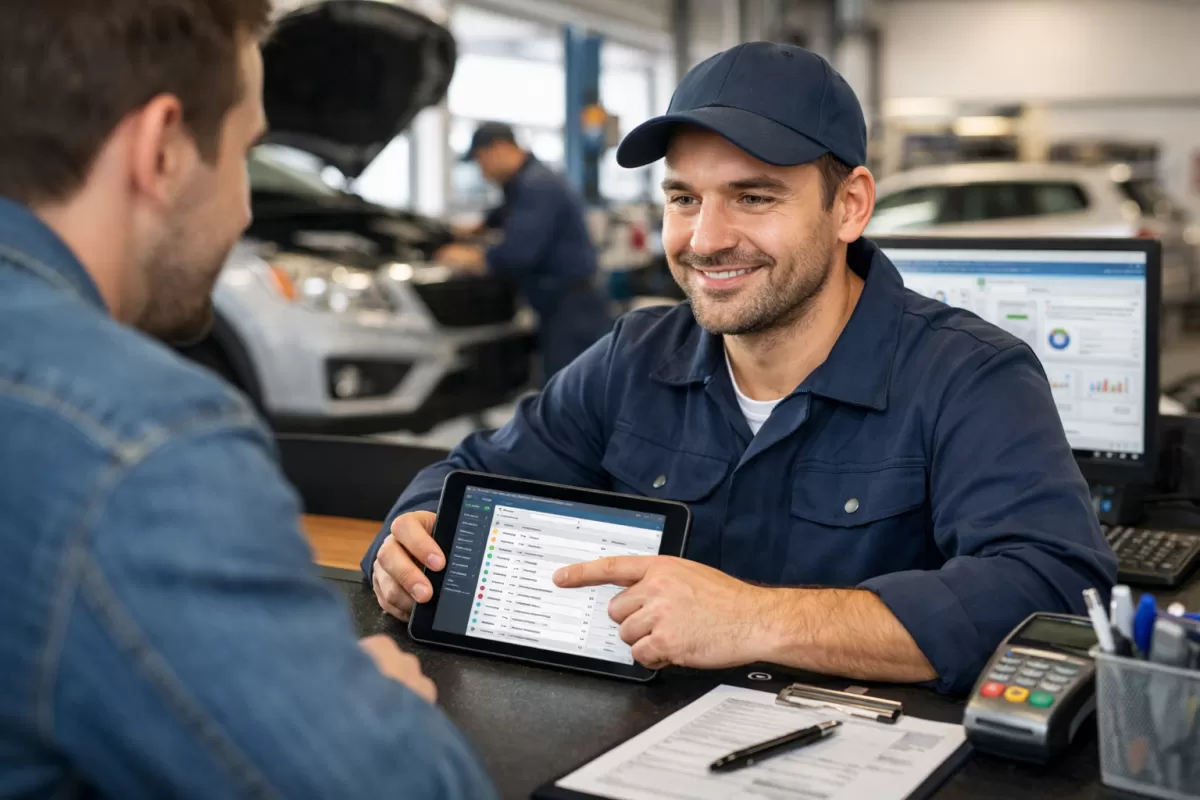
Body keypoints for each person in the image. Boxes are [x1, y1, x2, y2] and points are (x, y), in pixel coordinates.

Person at [365, 42, 1117, 695]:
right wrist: (410, 538)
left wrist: (754, 618)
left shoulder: (969, 376)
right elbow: (467, 476)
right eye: (683, 198)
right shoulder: (633, 359)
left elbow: (1054, 593)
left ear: (850, 206)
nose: (706, 238)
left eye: (753, 197)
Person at [0, 1, 493, 796]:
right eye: (246, 152)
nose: (246, 206)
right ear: (161, 149)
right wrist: (373, 717)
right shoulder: (139, 442)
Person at [437, 122, 614, 383]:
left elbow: (517, 254)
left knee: (570, 393)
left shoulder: (537, 186)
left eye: (481, 160)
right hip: (562, 305)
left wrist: (467, 257)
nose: (481, 171)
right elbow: (502, 215)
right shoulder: (525, 182)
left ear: (499, 148)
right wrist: (473, 229)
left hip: (572, 310)